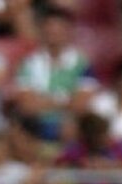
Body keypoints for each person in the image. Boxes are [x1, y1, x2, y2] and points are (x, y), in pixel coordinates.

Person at [14, 9, 97, 142]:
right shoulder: (28, 63)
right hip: (36, 123)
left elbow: (80, 104)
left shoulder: (82, 64)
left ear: (68, 31)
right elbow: (27, 105)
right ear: (42, 30)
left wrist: (43, 101)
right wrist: (65, 100)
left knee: (74, 125)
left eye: (58, 28)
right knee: (18, 129)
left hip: (68, 123)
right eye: (50, 28)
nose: (53, 32)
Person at [56, 112, 122, 184]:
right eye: (97, 135)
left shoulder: (120, 148)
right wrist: (80, 164)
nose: (103, 138)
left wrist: (113, 165)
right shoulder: (77, 149)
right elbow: (58, 165)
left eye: (104, 132)